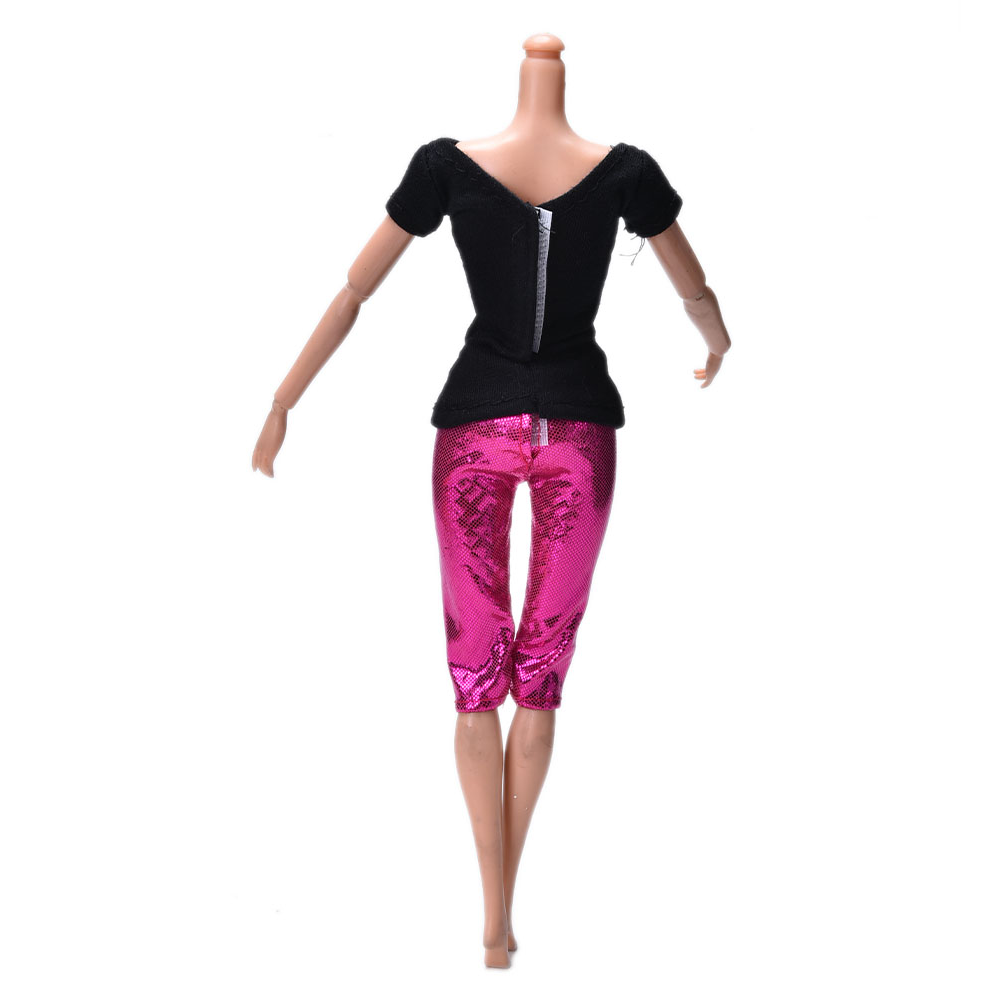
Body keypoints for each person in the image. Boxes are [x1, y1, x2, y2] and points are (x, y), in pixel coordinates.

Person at [252, 33, 732, 970]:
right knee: (536, 666)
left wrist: (283, 401)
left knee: (483, 667)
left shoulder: (460, 168)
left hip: (478, 430)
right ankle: (498, 912)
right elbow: (697, 288)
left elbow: (354, 291)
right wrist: (718, 341)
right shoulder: (616, 173)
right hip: (574, 433)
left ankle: (495, 912)